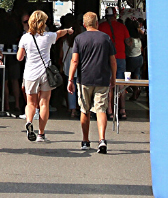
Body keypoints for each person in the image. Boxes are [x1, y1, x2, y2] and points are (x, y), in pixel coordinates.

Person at [17, 10, 71, 143]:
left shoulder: (25, 37)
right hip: (45, 73)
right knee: (44, 102)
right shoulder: (49, 36)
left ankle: (29, 121)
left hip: (30, 73)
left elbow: (19, 57)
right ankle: (41, 134)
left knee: (30, 103)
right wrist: (68, 30)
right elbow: (60, 33)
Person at [67, 12, 115, 154]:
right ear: (97, 23)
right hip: (102, 78)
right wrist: (113, 77)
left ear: (84, 24)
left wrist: (70, 79)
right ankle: (102, 139)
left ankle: (86, 140)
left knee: (84, 110)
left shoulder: (79, 39)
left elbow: (74, 60)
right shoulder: (105, 38)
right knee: (101, 109)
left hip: (84, 79)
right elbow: (112, 60)